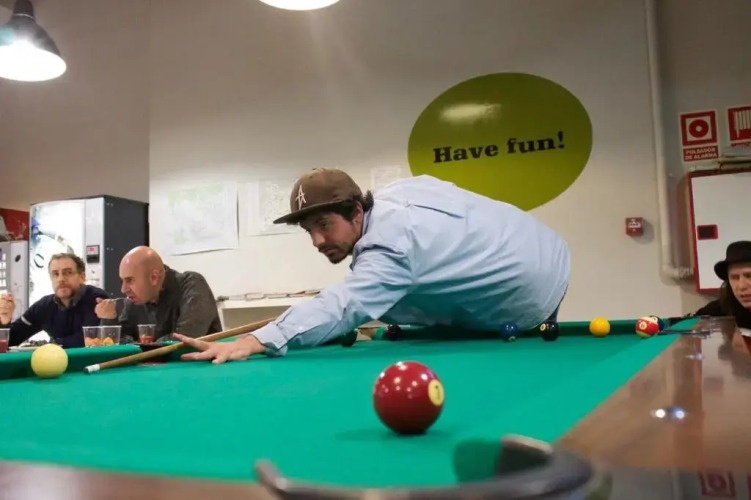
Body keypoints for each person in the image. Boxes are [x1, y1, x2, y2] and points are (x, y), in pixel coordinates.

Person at [176, 168, 570, 364]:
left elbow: (345, 305)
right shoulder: (396, 194)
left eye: (325, 225)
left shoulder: (392, 246)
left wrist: (255, 340)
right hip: (543, 247)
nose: (317, 241)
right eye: (310, 231)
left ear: (356, 211)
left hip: (529, 294)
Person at [95, 246, 222, 343]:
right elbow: (118, 348)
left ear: (154, 278)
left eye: (130, 280)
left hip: (199, 368)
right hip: (152, 369)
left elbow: (185, 340)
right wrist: (109, 319)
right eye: (122, 281)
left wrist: (141, 346)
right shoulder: (134, 301)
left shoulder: (192, 285)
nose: (123, 289)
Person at [0, 253, 109, 348]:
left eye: (68, 272)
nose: (60, 279)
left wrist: (50, 344)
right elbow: (11, 340)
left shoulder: (97, 298)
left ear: (82, 277)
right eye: (55, 274)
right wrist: (4, 322)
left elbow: (88, 339)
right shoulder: (44, 306)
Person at [693, 240, 751, 330]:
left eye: (749, 276)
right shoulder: (718, 310)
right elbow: (682, 327)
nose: (741, 286)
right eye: (734, 277)